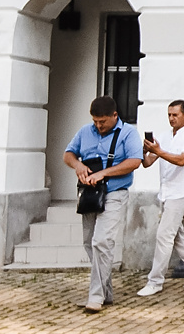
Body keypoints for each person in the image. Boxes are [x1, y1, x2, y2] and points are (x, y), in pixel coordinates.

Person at [61, 94, 143, 312]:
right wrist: (78, 166)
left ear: (114, 115)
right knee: (89, 242)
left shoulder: (128, 133)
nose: (98, 126)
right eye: (95, 121)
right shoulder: (85, 131)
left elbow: (135, 161)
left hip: (115, 192)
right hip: (89, 194)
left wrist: (104, 174)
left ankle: (95, 297)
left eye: (102, 122)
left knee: (102, 242)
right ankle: (106, 293)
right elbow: (68, 154)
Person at [139, 99, 184, 297]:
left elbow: (181, 160)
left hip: (180, 192)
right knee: (178, 235)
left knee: (164, 236)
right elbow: (147, 163)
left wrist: (159, 151)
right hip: (166, 192)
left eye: (175, 115)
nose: (172, 118)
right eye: (169, 115)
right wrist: (146, 151)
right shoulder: (164, 136)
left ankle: (155, 282)